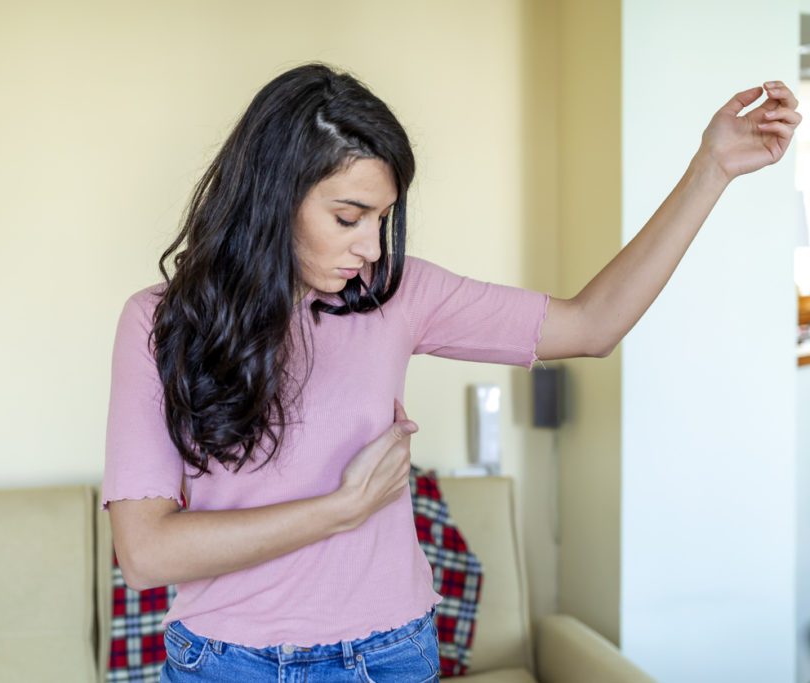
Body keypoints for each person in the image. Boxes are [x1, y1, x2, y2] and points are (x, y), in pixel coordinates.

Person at [101, 62, 800, 682]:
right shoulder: (158, 322)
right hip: (224, 664)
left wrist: (710, 168)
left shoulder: (399, 294)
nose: (372, 248)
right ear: (274, 196)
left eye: (383, 218)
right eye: (349, 217)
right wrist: (339, 509)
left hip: (387, 657)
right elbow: (147, 553)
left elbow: (593, 324)